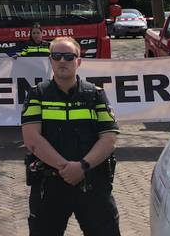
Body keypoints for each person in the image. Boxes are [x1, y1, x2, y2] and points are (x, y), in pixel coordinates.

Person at [21, 36, 120, 235]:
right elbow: (32, 139)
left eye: (68, 56)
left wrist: (82, 166)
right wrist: (66, 169)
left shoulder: (95, 94)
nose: (62, 61)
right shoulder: (37, 95)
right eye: (56, 56)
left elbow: (109, 138)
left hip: (93, 183)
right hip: (50, 186)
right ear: (50, 61)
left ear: (79, 61)